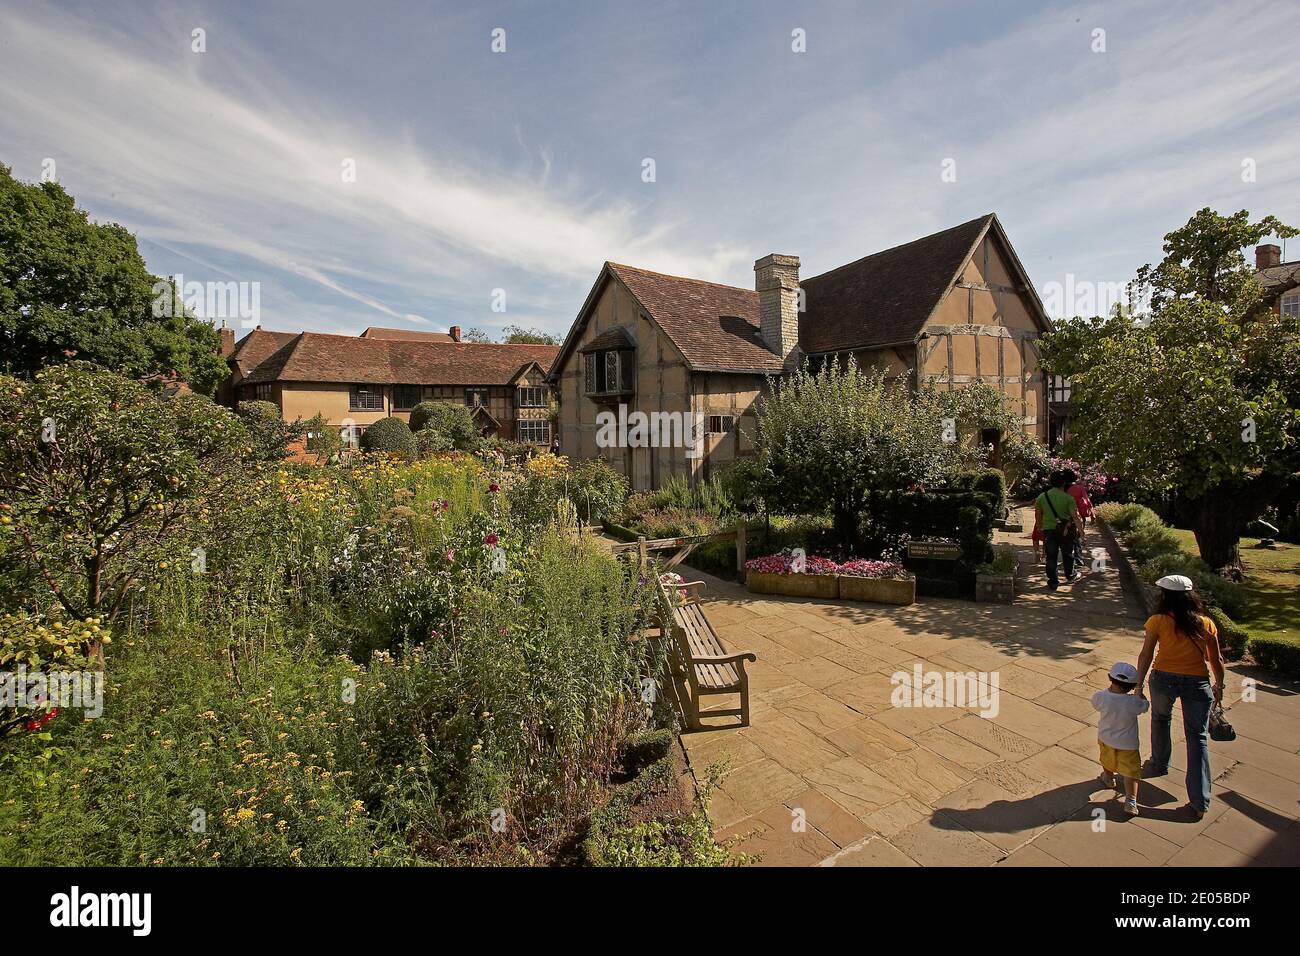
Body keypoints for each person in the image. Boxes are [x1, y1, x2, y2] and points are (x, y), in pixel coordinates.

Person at [1134, 574, 1226, 820]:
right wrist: (1220, 684)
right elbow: (1215, 659)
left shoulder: (1158, 621)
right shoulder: (1206, 623)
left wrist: (1138, 685)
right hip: (1197, 683)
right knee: (1198, 738)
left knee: (1160, 719)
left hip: (1163, 678)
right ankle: (1199, 801)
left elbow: (1146, 655)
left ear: (1165, 596)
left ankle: (1158, 763)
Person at [1091, 662, 1149, 816]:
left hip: (1106, 738)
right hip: (1128, 744)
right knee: (1131, 773)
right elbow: (1145, 706)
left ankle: (1108, 778)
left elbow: (1094, 703)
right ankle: (1131, 800)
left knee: (1107, 760)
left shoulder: (1101, 697)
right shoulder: (1133, 702)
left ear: (1110, 678)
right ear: (1131, 686)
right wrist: (1140, 694)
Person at [1034, 470, 1081, 590]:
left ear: (1051, 482)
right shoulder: (1068, 498)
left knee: (1051, 556)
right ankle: (1070, 575)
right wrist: (1081, 531)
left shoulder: (1042, 497)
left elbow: (1038, 515)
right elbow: (1075, 516)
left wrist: (1040, 527)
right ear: (1064, 483)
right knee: (1068, 554)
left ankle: (1053, 582)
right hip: (1065, 531)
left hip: (1049, 530)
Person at [1065, 471, 1094, 567]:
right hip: (1079, 515)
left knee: (1067, 538)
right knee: (1078, 536)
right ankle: (1078, 559)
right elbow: (1087, 500)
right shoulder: (1080, 488)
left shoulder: (1063, 489)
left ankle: (1069, 559)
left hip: (1066, 515)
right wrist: (1092, 513)